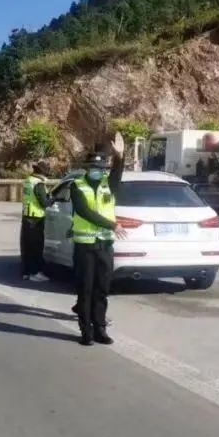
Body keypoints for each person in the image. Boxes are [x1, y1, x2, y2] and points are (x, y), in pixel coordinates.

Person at [69, 132, 126, 346]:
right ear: (87, 168)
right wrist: (112, 225)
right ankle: (86, 331)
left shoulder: (107, 185)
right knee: (85, 289)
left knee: (102, 289)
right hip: (85, 247)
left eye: (102, 168)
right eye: (95, 167)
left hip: (105, 246)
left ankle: (100, 328)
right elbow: (84, 212)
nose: (99, 171)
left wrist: (120, 156)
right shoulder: (77, 186)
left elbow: (118, 173)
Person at [20, 162, 52, 282]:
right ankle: (35, 273)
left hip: (26, 216)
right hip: (36, 218)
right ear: (42, 173)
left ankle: (26, 272)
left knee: (27, 247)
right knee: (36, 247)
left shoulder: (28, 180)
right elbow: (44, 202)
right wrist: (53, 199)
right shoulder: (39, 184)